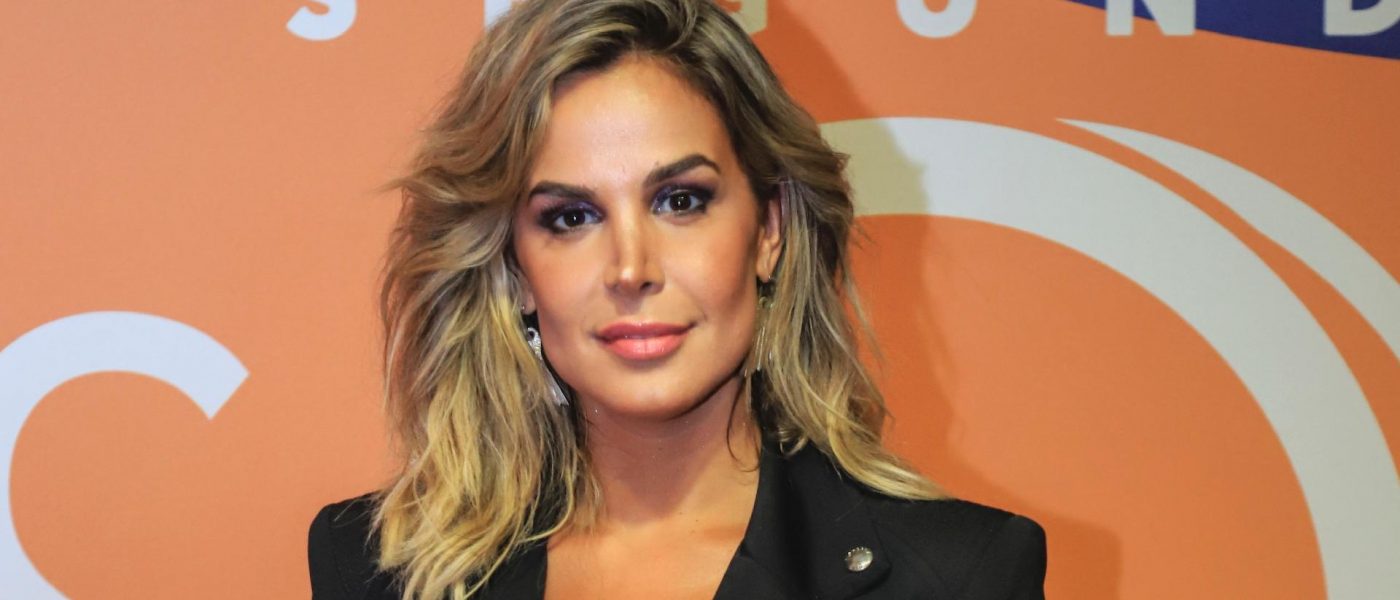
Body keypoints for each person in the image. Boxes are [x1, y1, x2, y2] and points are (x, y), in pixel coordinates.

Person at [308, 0, 1047, 598]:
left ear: (769, 230)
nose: (631, 268)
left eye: (680, 201)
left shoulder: (959, 576)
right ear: (515, 267)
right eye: (571, 217)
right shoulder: (378, 569)